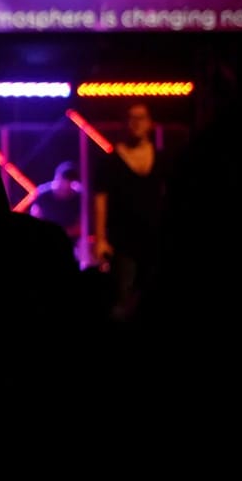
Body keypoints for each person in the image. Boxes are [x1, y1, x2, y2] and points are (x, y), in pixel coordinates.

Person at [93, 102, 168, 319]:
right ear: (123, 123)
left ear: (150, 123)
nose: (135, 123)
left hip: (155, 240)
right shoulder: (110, 161)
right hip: (123, 242)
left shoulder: (162, 159)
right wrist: (100, 239)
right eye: (131, 118)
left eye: (141, 118)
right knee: (122, 300)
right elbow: (100, 200)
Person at [30, 161, 83, 240]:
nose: (66, 185)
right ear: (57, 177)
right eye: (64, 179)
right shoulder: (42, 194)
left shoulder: (79, 197)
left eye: (70, 180)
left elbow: (81, 226)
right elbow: (35, 216)